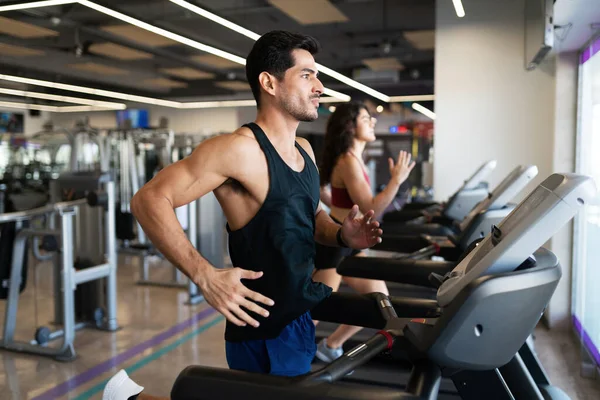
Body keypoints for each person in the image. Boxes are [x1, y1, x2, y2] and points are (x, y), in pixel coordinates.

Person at [102, 31, 383, 400]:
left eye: (317, 76)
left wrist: (344, 235)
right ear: (269, 82)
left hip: (299, 314)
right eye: (307, 75)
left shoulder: (304, 150)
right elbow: (148, 200)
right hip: (263, 328)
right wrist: (205, 275)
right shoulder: (237, 150)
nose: (319, 86)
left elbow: (313, 218)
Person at [312, 102, 415, 363]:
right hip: (337, 246)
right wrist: (396, 181)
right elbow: (371, 208)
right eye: (366, 118)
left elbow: (337, 197)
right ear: (350, 125)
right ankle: (289, 358)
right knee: (314, 311)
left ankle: (331, 344)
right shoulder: (348, 161)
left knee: (381, 302)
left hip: (350, 243)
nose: (372, 122)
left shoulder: (353, 159)